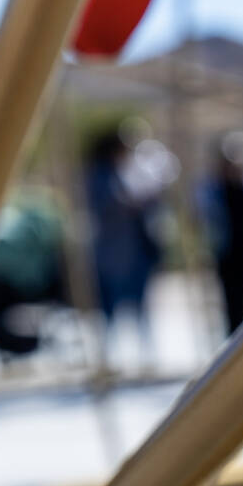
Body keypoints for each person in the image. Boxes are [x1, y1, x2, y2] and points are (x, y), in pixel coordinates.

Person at [84, 125, 173, 354]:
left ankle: (147, 353)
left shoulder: (127, 172)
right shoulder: (99, 175)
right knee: (109, 308)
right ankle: (105, 355)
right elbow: (109, 204)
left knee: (141, 305)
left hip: (136, 251)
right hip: (112, 252)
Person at [0, 190, 67, 356]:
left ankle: (24, 346)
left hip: (25, 285)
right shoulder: (10, 232)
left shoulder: (10, 236)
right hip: (19, 284)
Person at [198, 132, 243, 335]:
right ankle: (233, 341)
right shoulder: (214, 189)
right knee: (229, 302)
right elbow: (205, 215)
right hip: (226, 253)